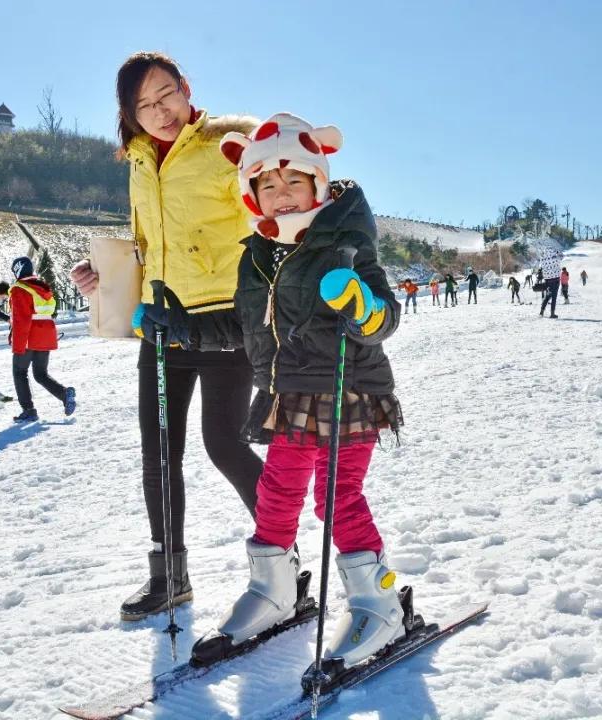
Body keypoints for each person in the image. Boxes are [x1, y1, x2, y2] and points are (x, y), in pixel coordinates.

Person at [68, 52, 262, 621]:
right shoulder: (137, 163)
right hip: (162, 323)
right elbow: (152, 249)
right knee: (159, 454)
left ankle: (281, 557)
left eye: (166, 95)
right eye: (144, 105)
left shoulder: (228, 144)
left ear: (186, 89)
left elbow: (270, 218)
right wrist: (105, 282)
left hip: (225, 318)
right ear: (130, 114)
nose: (160, 111)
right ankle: (169, 577)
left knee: (224, 443)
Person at [210, 112, 407, 673]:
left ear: (318, 182)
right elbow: (245, 324)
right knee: (276, 493)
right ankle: (275, 592)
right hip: (288, 396)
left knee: (335, 498)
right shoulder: (258, 254)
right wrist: (179, 328)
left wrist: (363, 310)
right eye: (267, 185)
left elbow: (384, 315)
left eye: (294, 181)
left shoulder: (345, 242)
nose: (282, 194)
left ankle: (379, 602)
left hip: (349, 390)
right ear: (253, 194)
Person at [9, 256, 76, 422]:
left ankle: (28, 410)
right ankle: (64, 394)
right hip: (45, 335)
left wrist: (18, 344)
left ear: (17, 270)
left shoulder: (20, 289)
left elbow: (21, 320)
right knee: (40, 374)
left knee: (19, 372)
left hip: (29, 336)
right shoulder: (43, 287)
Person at [539, 245, 563, 318]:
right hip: (555, 279)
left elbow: (541, 266)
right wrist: (557, 252)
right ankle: (552, 313)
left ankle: (541, 311)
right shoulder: (555, 257)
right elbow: (562, 257)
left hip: (547, 280)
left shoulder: (543, 258)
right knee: (554, 297)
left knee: (548, 295)